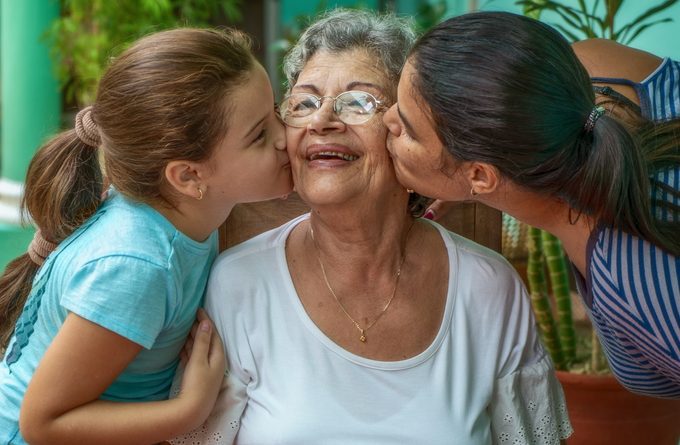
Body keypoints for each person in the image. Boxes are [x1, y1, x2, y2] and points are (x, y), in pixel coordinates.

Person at [169, 9, 572, 444]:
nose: (321, 121)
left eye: (357, 102)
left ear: (407, 129)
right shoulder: (238, 283)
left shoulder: (488, 289)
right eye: (304, 103)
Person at [0, 27, 292, 444]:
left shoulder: (180, 211)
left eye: (277, 110)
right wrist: (190, 409)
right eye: (260, 134)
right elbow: (44, 423)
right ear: (189, 176)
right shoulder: (137, 265)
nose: (286, 137)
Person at [383, 11, 680, 398]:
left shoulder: (635, 283)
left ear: (481, 175)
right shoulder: (593, 68)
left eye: (407, 128)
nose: (386, 118)